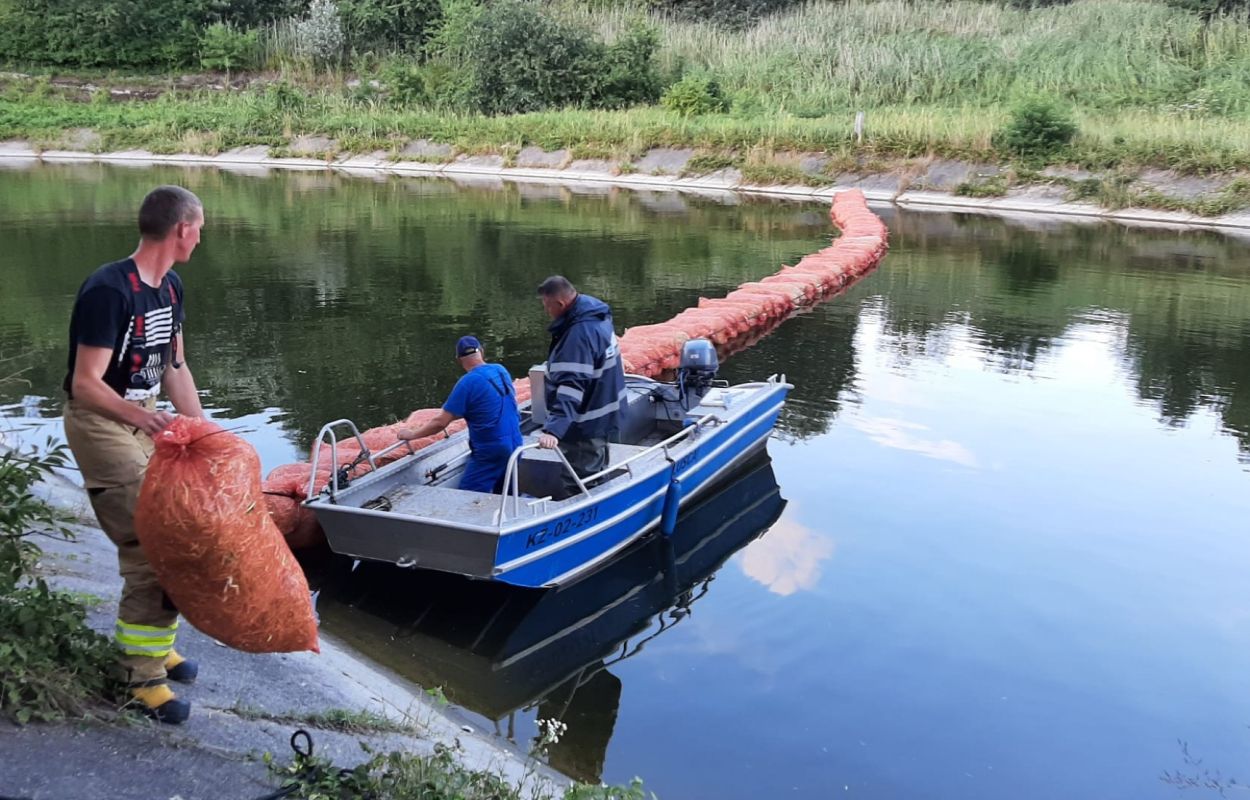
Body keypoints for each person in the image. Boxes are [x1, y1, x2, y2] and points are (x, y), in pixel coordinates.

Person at [62, 185, 206, 725]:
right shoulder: (109, 289)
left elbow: (174, 369)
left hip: (145, 417)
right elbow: (86, 384)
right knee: (155, 541)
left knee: (180, 530)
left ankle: (151, 642)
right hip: (102, 421)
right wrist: (145, 419)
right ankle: (138, 679)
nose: (201, 236)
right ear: (182, 230)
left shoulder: (169, 288)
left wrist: (204, 431)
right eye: (200, 228)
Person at [535, 276, 625, 496]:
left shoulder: (578, 336)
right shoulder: (596, 314)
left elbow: (571, 387)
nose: (547, 311)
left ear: (561, 304)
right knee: (597, 468)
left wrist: (554, 429)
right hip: (606, 410)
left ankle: (590, 518)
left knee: (581, 479)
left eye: (547, 306)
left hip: (587, 422)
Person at [397, 335, 523, 494]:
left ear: (458, 359)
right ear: (482, 352)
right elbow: (490, 404)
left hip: (491, 450)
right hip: (516, 443)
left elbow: (440, 423)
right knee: (506, 495)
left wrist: (411, 435)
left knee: (468, 497)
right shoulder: (500, 370)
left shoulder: (467, 383)